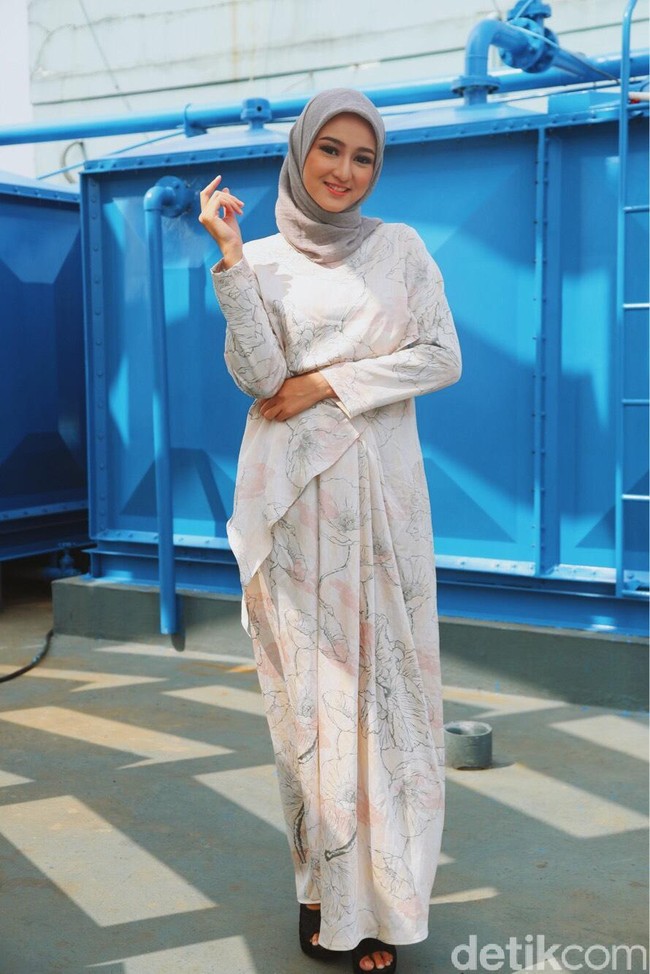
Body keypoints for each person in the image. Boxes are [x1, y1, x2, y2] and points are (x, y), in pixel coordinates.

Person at [199, 87, 461, 974]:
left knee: (391, 702)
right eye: (331, 150)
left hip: (383, 505)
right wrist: (231, 260)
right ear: (300, 152)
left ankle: (380, 900)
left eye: (363, 157)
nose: (346, 170)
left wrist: (325, 383)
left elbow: (441, 356)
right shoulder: (262, 260)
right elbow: (258, 376)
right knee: (308, 708)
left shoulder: (402, 249)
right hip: (293, 505)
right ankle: (320, 888)